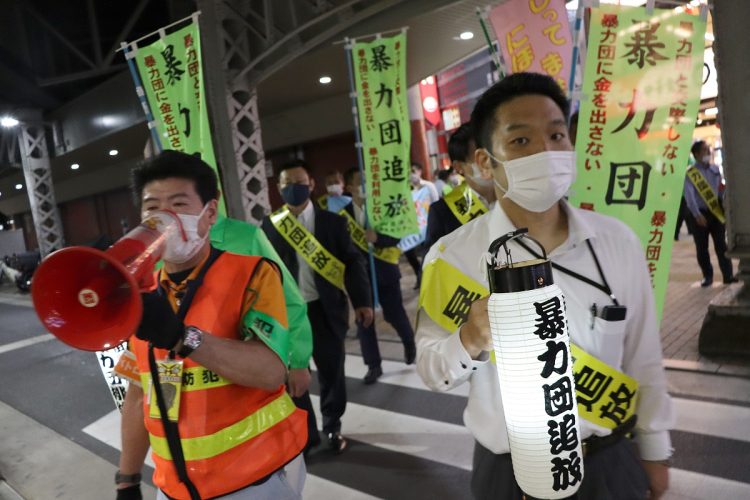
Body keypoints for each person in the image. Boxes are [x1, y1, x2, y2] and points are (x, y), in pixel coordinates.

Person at [416, 73, 674, 500]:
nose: (546, 151)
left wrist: (655, 451)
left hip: (608, 464)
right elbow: (431, 370)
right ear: (484, 163)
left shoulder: (617, 242)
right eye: (520, 141)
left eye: (556, 135)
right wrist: (469, 338)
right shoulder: (451, 258)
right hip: (507, 475)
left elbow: (643, 356)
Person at [116, 150, 307, 500]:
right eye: (151, 206)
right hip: (172, 486)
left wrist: (180, 337)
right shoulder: (141, 294)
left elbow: (270, 371)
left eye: (178, 204)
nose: (164, 218)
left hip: (254, 481)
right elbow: (138, 392)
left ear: (210, 214)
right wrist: (127, 478)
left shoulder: (252, 274)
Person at [262, 159, 373, 454]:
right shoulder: (270, 226)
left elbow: (353, 262)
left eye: (299, 182)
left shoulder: (333, 223)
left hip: (325, 311)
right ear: (279, 187)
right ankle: (306, 432)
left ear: (311, 184)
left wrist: (362, 301)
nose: (293, 189)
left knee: (331, 371)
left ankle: (332, 425)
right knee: (293, 375)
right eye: (287, 184)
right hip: (286, 316)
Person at [342, 166, 417, 384]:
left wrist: (377, 238)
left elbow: (396, 235)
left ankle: (409, 343)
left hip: (385, 270)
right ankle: (373, 366)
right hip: (359, 278)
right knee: (364, 320)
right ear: (350, 187)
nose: (365, 184)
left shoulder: (383, 208)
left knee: (394, 314)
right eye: (360, 180)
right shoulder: (341, 217)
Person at [424, 123, 496, 251]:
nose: (490, 162)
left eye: (492, 153)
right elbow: (433, 267)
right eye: (479, 157)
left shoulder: (519, 196)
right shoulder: (442, 212)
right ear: (459, 167)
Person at [684, 140, 737, 286]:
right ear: (696, 154)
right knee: (702, 248)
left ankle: (728, 275)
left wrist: (725, 205)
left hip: (716, 213)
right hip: (700, 215)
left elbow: (720, 190)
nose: (708, 153)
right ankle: (707, 276)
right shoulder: (691, 174)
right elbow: (690, 196)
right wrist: (696, 214)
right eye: (704, 150)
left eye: (708, 150)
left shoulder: (715, 169)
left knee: (722, 246)